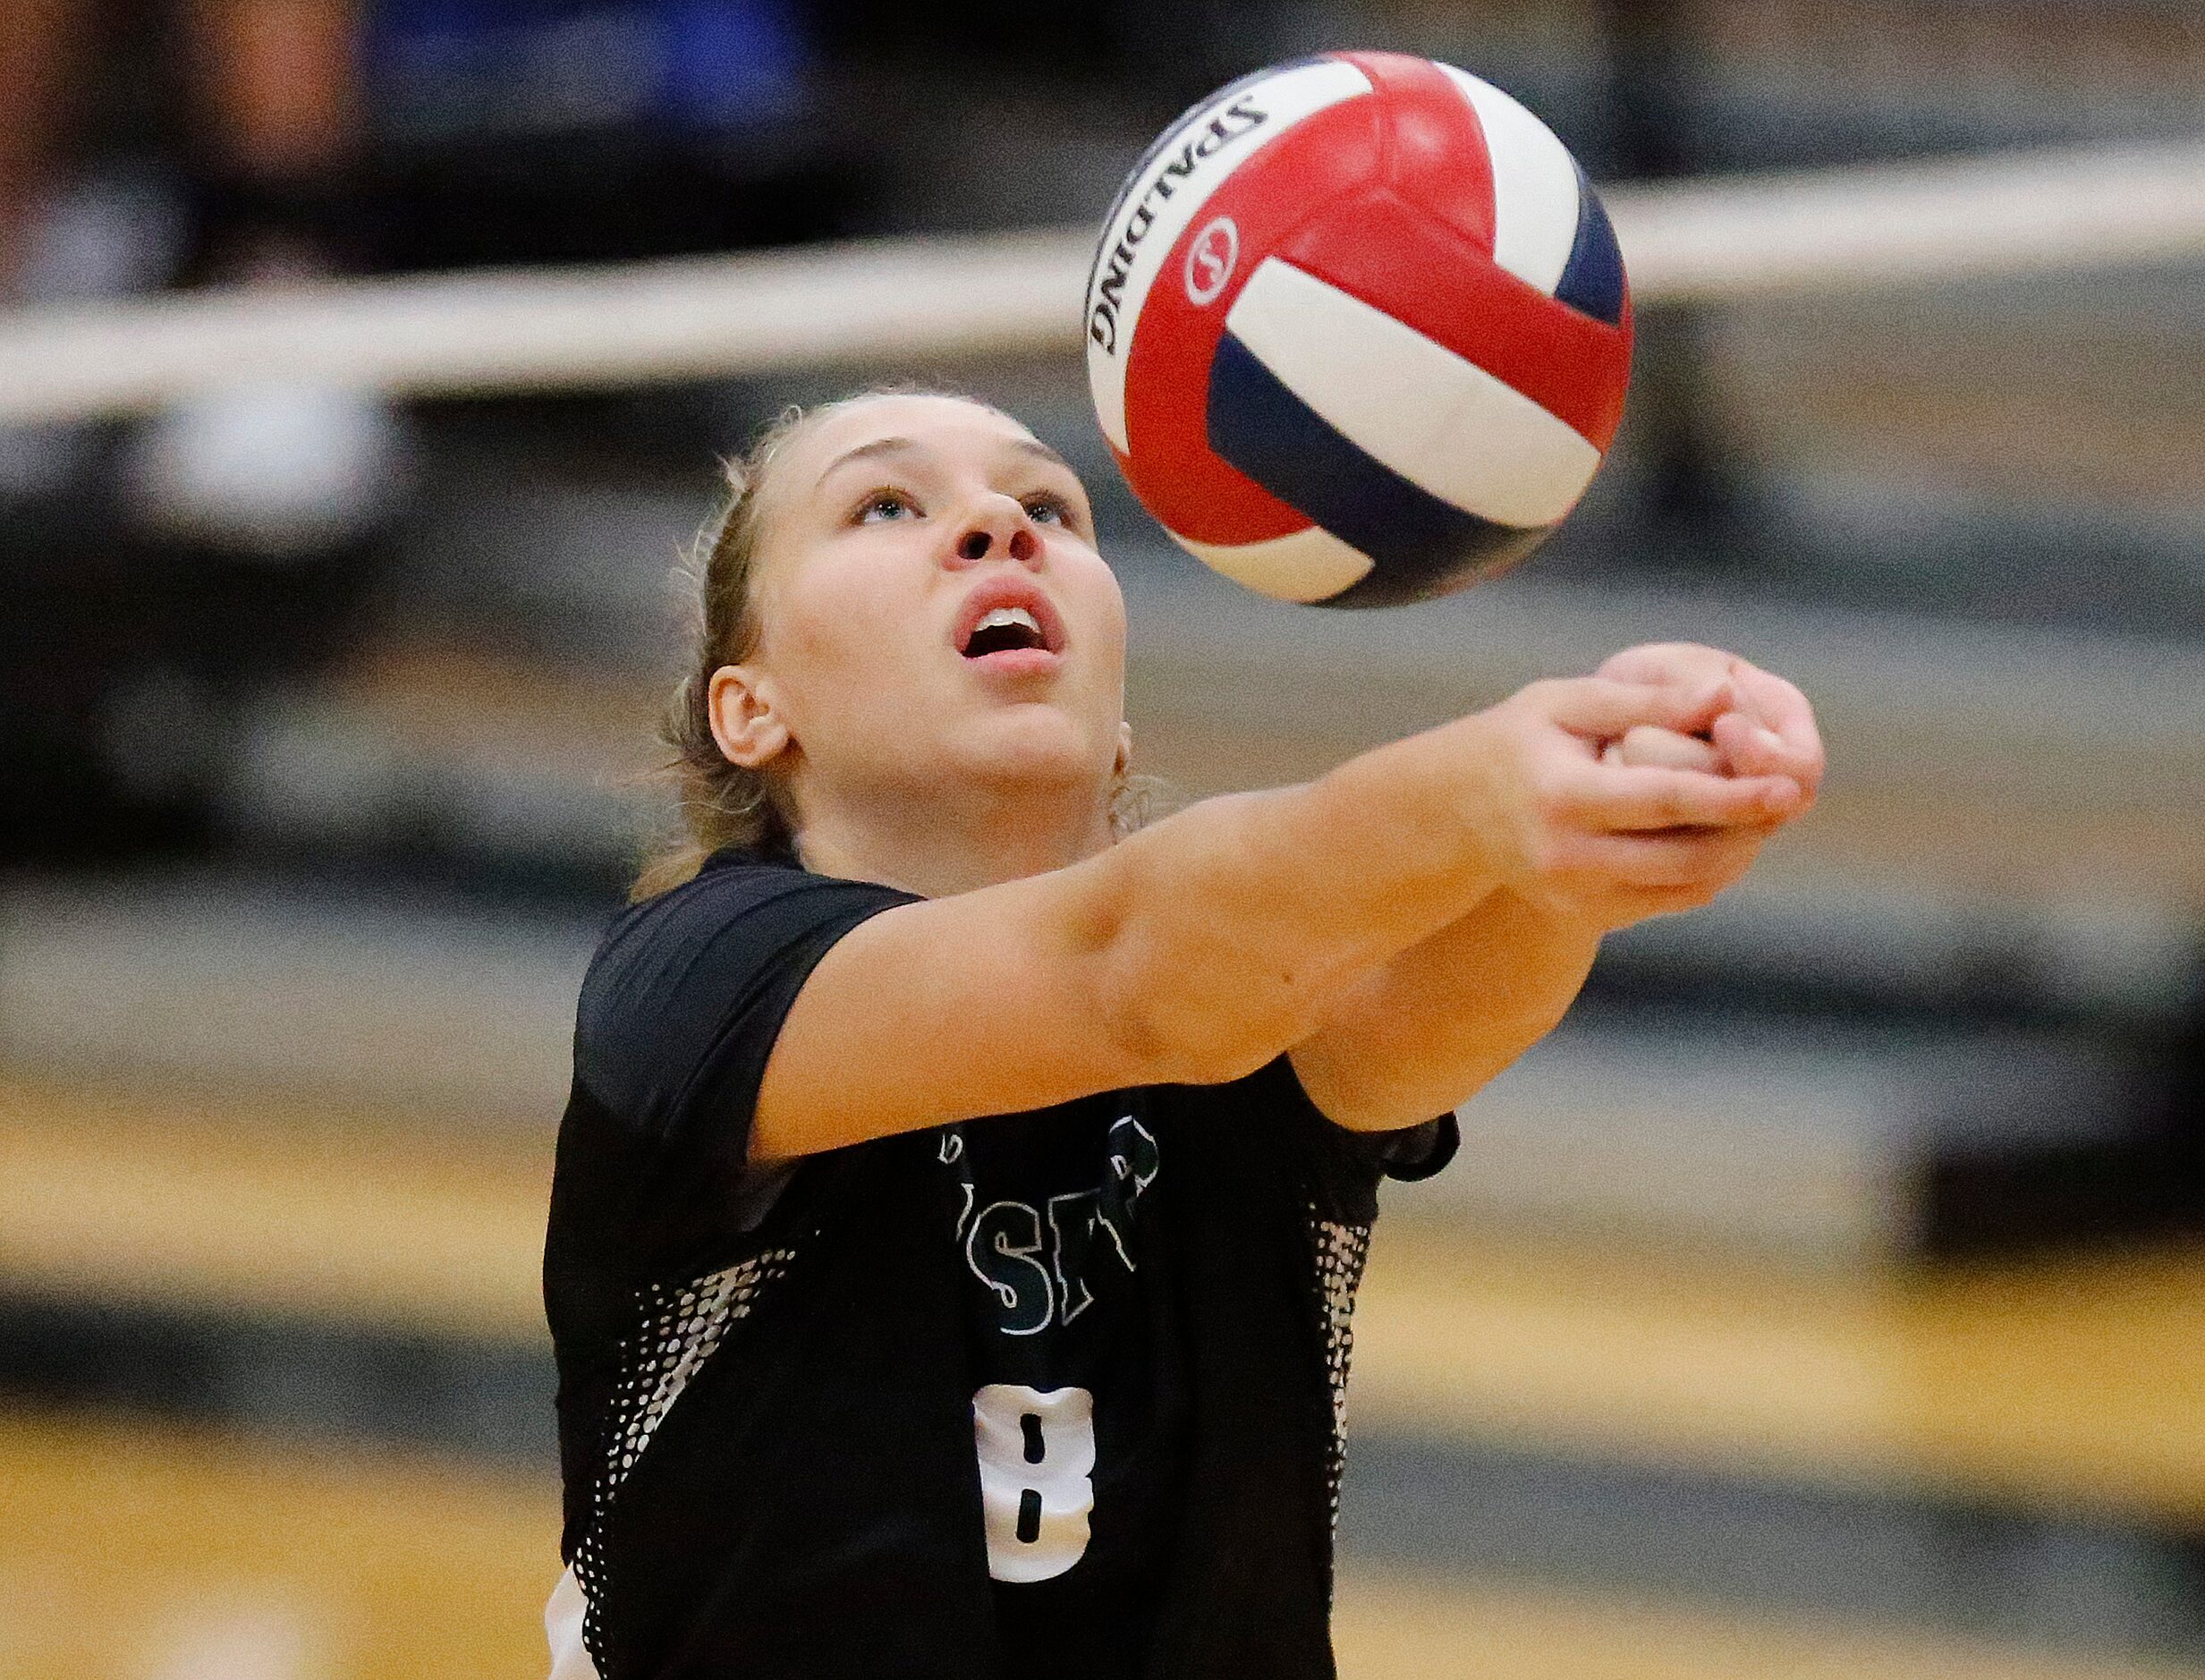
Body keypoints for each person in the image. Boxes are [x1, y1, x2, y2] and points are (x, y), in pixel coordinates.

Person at [540, 387, 1825, 1679]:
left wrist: (1620, 789)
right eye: (886, 504)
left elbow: (1424, 1010)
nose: (996, 523)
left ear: (1121, 727)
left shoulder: (1257, 972)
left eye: (1049, 504)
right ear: (750, 709)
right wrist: (1487, 788)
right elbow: (1128, 973)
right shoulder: (697, 981)